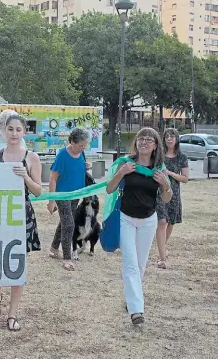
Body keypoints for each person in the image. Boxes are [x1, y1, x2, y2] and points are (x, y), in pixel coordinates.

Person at [106, 128, 172, 325]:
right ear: (136, 143)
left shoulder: (159, 168)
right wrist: (121, 173)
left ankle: (132, 298)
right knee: (130, 263)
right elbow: (109, 188)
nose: (143, 142)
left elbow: (167, 198)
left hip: (148, 220)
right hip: (126, 218)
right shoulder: (127, 163)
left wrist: (165, 185)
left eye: (148, 139)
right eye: (140, 139)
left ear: (155, 145)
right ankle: (136, 310)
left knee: (140, 264)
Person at [0, 114, 42, 331]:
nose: (14, 134)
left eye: (18, 130)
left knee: (18, 264)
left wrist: (25, 177)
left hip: (22, 214)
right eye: (10, 129)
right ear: (3, 131)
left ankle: (12, 314)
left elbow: (38, 191)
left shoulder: (32, 158)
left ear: (24, 132)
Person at [47, 128, 92, 271]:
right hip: (63, 195)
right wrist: (52, 200)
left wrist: (85, 166)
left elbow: (76, 168)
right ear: (72, 142)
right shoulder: (62, 156)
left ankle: (54, 248)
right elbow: (53, 179)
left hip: (76, 195)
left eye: (85, 146)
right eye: (80, 146)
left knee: (65, 221)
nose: (83, 148)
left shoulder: (81, 153)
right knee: (69, 224)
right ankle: (67, 258)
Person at [155, 128, 189, 269]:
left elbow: (185, 178)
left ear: (177, 139)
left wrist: (170, 173)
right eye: (167, 136)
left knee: (170, 223)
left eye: (172, 136)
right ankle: (163, 258)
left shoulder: (182, 157)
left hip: (174, 193)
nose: (169, 138)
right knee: (162, 222)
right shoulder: (159, 156)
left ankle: (161, 249)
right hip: (160, 193)